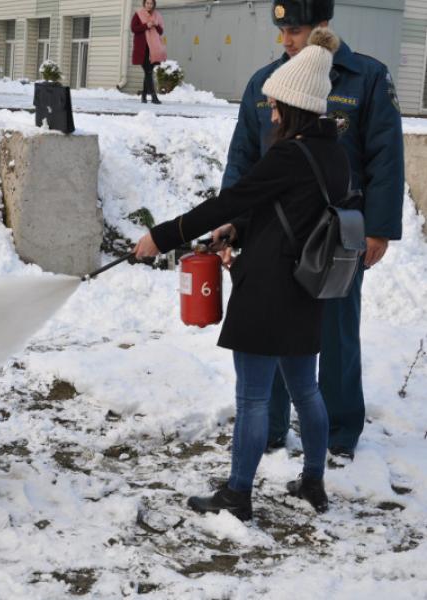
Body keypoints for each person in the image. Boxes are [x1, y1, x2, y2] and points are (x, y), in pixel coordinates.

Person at [133, 28, 348, 521]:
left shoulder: (288, 153)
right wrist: (239, 229)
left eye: (275, 105)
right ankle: (313, 481)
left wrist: (161, 237)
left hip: (269, 289)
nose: (270, 112)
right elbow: (288, 209)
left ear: (293, 106)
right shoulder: (331, 151)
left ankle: (237, 494)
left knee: (252, 397)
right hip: (307, 287)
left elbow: (231, 199)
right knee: (306, 390)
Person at [218, 0, 404, 459]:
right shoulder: (264, 83)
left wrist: (378, 229)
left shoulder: (366, 77)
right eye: (281, 31)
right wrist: (231, 224)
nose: (286, 40)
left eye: (296, 31)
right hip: (272, 235)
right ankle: (272, 426)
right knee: (271, 330)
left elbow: (385, 157)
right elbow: (243, 158)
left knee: (337, 333)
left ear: (323, 26)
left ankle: (340, 432)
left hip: (336, 234)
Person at [130, 0, 166, 104]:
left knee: (148, 72)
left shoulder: (157, 16)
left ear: (154, 4)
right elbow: (133, 28)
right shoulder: (138, 14)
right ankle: (154, 97)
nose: (149, 5)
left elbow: (161, 31)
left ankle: (144, 96)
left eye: (151, 3)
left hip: (154, 48)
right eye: (147, 3)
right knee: (148, 71)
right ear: (144, 4)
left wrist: (155, 25)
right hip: (142, 48)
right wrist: (146, 25)